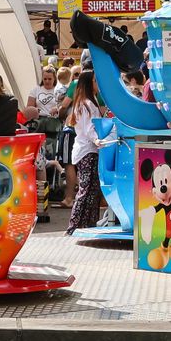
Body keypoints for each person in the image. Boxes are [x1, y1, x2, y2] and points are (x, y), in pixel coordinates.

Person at [63, 70, 107, 233]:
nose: (97, 84)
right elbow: (89, 128)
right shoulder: (86, 104)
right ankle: (74, 225)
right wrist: (97, 139)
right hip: (87, 150)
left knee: (92, 188)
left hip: (91, 149)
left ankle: (88, 223)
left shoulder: (90, 101)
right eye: (95, 81)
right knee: (87, 188)